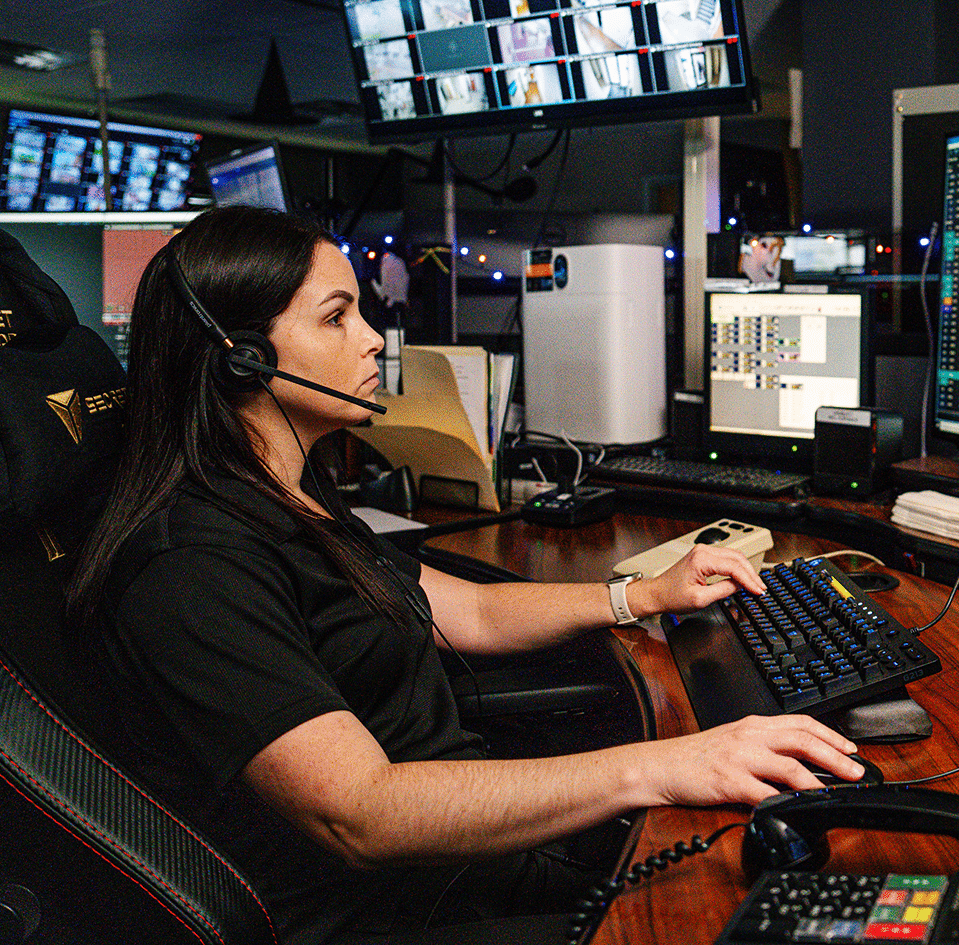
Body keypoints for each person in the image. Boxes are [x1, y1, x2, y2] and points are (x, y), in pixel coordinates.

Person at [67, 206, 862, 943]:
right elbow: (360, 815)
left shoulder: (290, 495)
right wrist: (664, 767)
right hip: (403, 913)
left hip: (470, 857)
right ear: (241, 358)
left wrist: (642, 595)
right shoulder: (192, 567)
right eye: (337, 317)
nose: (372, 339)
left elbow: (468, 612)